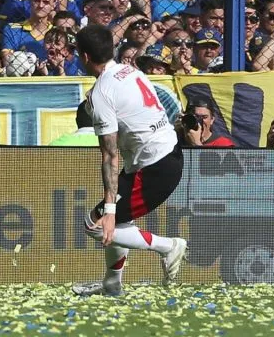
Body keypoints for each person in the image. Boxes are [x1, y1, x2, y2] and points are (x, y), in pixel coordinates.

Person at [71, 24, 187, 297]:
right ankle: (112, 284)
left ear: (84, 56)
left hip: (155, 167)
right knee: (120, 221)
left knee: (95, 224)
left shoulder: (101, 92)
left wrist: (110, 211)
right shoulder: (130, 70)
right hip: (165, 154)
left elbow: (110, 155)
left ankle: (168, 246)